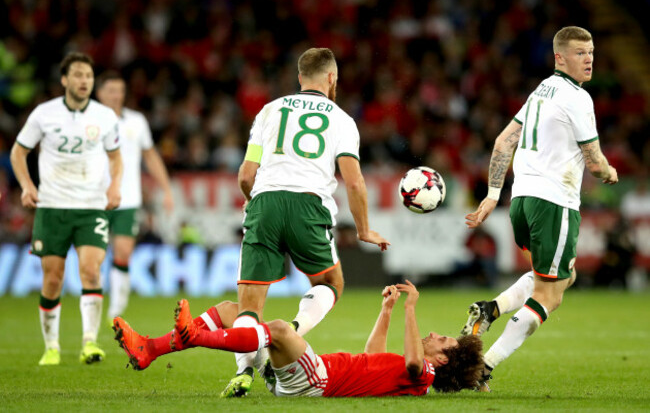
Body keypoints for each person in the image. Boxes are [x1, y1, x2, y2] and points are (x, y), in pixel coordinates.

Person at [460, 26, 618, 391]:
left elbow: (503, 142)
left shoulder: (540, 91)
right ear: (559, 57)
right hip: (554, 203)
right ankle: (483, 367)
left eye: (591, 51)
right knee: (550, 294)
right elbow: (594, 163)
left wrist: (492, 194)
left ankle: (491, 309)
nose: (589, 58)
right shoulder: (577, 98)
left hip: (522, 202)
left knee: (565, 275)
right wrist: (609, 171)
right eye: (580, 52)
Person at [227, 47, 390, 397]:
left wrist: (257, 204)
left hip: (265, 201)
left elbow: (246, 174)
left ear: (300, 78)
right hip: (308, 205)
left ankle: (243, 371)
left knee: (249, 303)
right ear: (332, 78)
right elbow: (354, 181)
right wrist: (363, 229)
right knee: (331, 281)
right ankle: (292, 329)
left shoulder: (269, 110)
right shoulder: (342, 120)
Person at [112, 280, 484, 396]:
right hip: (303, 376)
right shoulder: (405, 375)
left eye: (444, 341)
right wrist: (387, 311)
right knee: (231, 309)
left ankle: (195, 335)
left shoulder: (425, 377)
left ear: (444, 361)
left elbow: (415, 361)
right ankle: (150, 349)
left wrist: (410, 309)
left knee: (277, 329)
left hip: (317, 379)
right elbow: (373, 355)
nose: (435, 335)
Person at [10, 51, 123, 366]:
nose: (84, 81)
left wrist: (114, 186)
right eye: (77, 75)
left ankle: (89, 342)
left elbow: (116, 158)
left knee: (90, 269)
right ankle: (52, 347)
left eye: (88, 76)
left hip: (91, 206)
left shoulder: (104, 117)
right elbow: (18, 153)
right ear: (64, 80)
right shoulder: (44, 114)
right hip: (52, 206)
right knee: (53, 278)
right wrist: (27, 186)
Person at [95, 70, 174, 322]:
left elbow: (150, 156)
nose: (116, 95)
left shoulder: (136, 121)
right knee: (94, 256)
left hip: (127, 198)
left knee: (122, 252)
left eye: (119, 90)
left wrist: (166, 189)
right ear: (100, 94)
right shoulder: (89, 122)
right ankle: (95, 303)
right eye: (111, 91)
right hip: (94, 198)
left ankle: (115, 309)